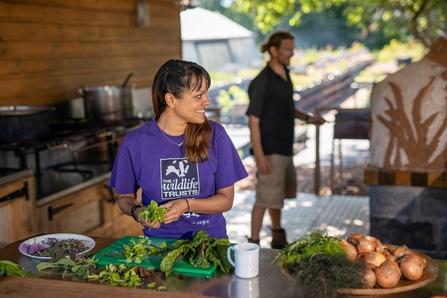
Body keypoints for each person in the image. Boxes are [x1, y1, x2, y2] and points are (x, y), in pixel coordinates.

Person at [109, 59, 248, 240]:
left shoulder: (215, 134)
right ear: (171, 99)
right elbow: (124, 198)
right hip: (158, 248)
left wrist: (186, 204)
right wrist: (138, 212)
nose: (207, 101)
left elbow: (226, 200)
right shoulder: (135, 143)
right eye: (199, 96)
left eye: (205, 94)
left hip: (209, 244)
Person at [246, 30, 326, 249]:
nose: (292, 53)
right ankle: (252, 244)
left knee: (276, 196)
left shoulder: (284, 75)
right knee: (264, 197)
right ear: (273, 50)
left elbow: (287, 108)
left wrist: (308, 118)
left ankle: (278, 237)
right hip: (270, 150)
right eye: (288, 48)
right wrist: (260, 155)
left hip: (285, 148)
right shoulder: (262, 82)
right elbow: (253, 120)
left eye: (292, 48)